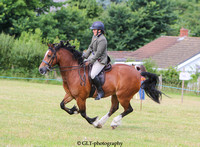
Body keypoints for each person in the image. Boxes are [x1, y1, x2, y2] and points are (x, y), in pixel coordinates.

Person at [82, 21, 108, 100]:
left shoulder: (102, 40)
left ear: (99, 30)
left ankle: (100, 91)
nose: (93, 31)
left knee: (93, 75)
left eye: (94, 29)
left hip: (100, 60)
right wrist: (84, 56)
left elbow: (98, 53)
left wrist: (90, 61)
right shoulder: (94, 37)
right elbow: (90, 47)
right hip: (93, 56)